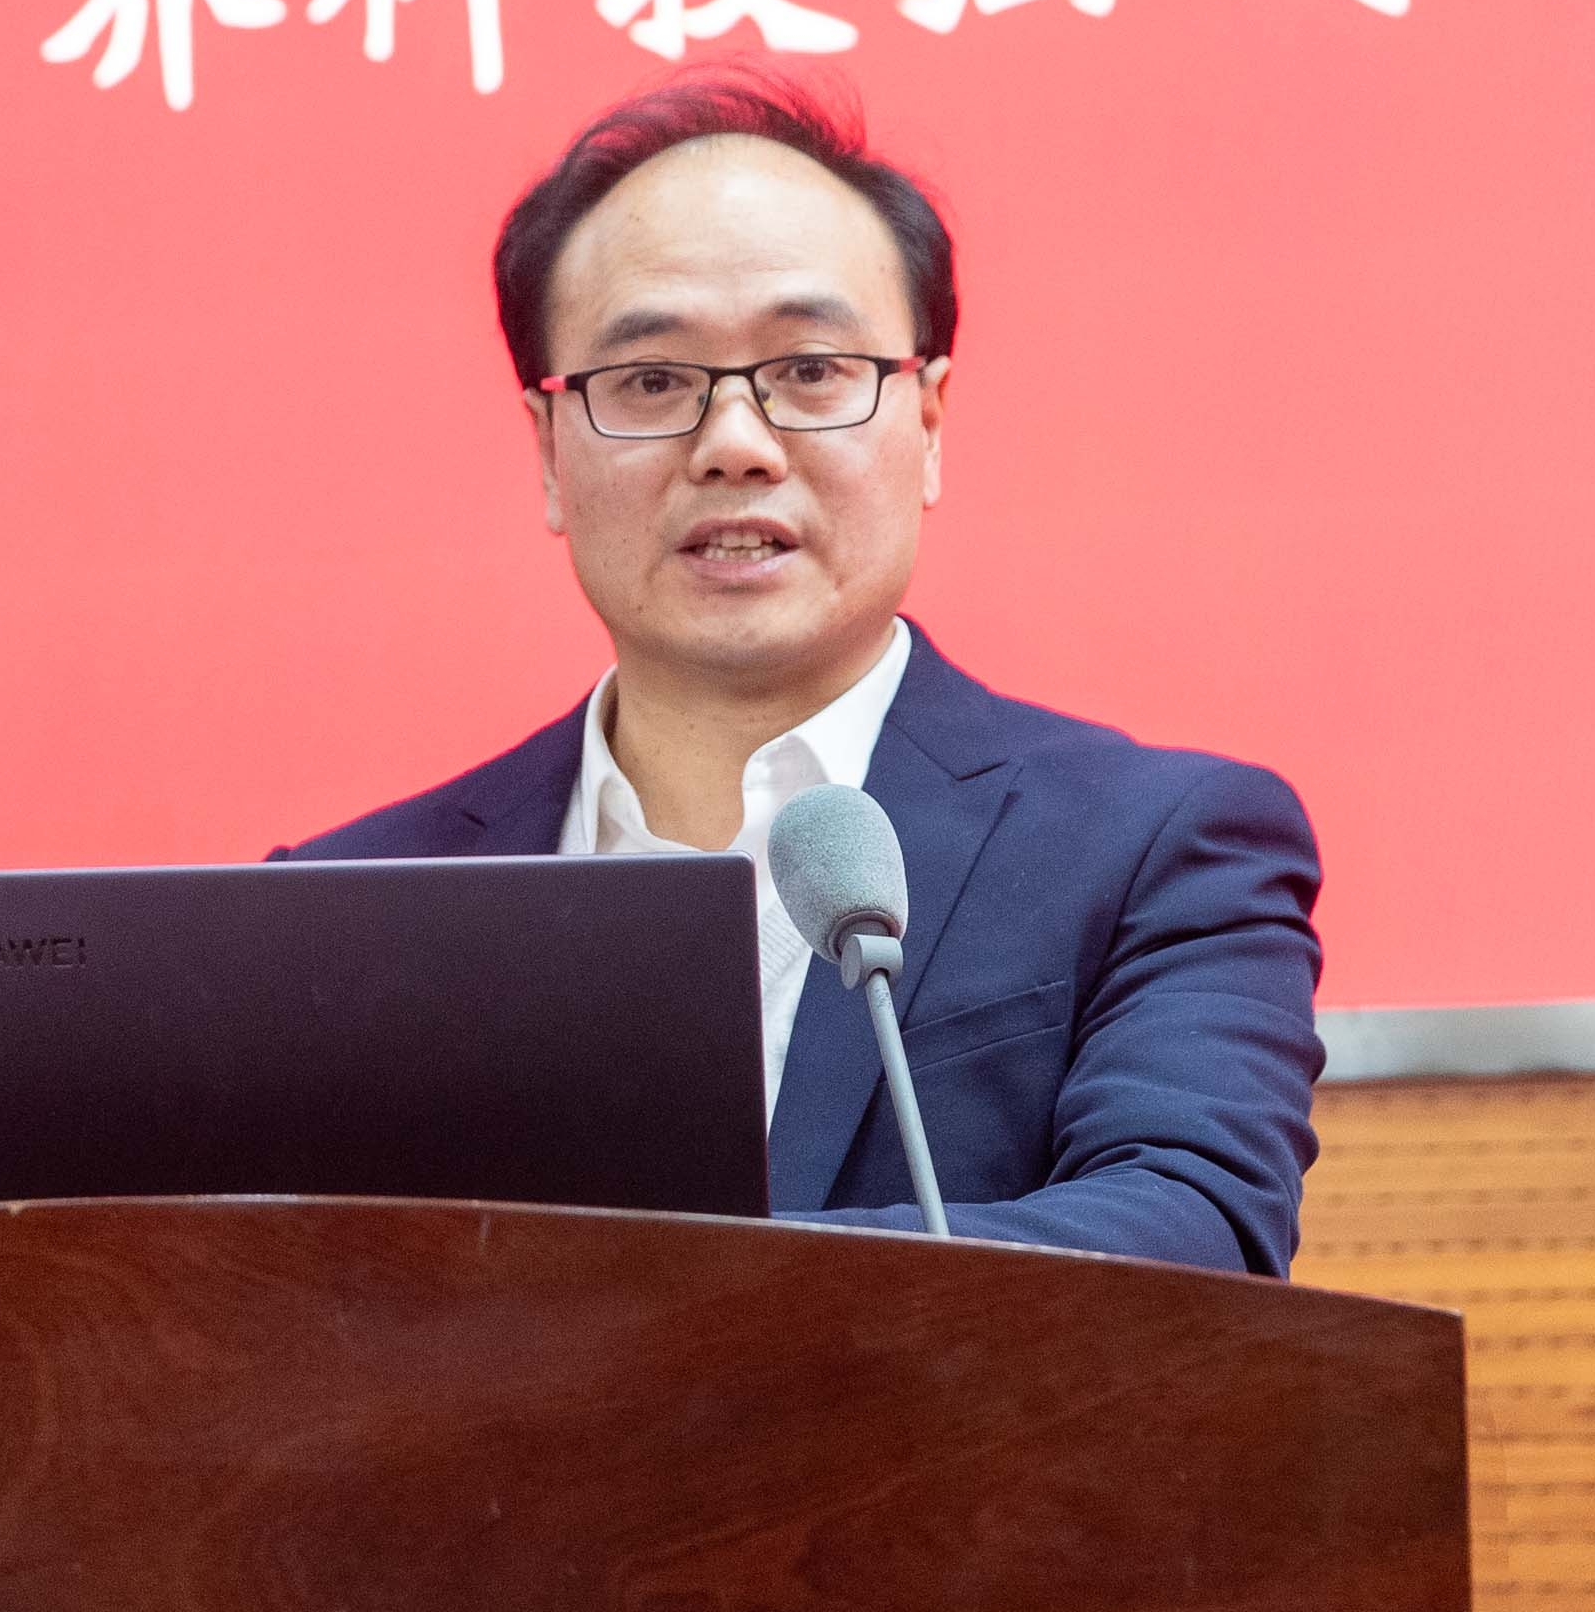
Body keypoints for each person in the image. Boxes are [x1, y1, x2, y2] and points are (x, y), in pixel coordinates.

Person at [280, 68, 1322, 1270]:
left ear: (928, 422)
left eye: (812, 370)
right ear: (550, 452)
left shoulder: (1158, 851)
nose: (734, 445)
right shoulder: (338, 911)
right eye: (651, 381)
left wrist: (625, 1295)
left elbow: (1194, 1239)